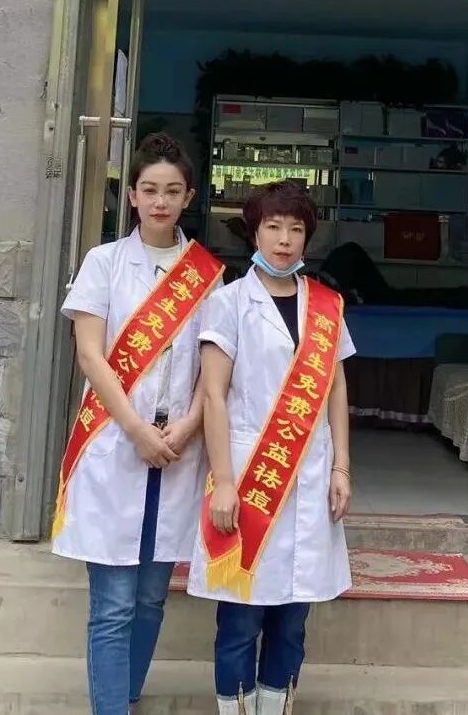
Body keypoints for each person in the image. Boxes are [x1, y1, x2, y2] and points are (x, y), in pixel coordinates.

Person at [52, 133, 226, 715]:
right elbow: (90, 355)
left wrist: (190, 424)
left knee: (152, 597)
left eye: (172, 191)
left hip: (177, 445)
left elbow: (214, 366)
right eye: (149, 189)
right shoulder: (103, 262)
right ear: (131, 195)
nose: (160, 201)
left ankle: (125, 696)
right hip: (116, 438)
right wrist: (135, 430)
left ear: (189, 197)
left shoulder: (207, 274)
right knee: (113, 605)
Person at [189, 180, 355, 715]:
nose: (284, 240)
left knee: (293, 619)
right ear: (254, 232)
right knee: (240, 618)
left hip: (310, 475)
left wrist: (342, 467)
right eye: (273, 227)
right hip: (248, 477)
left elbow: (335, 389)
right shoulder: (228, 303)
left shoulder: (326, 305)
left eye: (296, 229)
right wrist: (224, 481)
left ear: (308, 237)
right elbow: (213, 395)